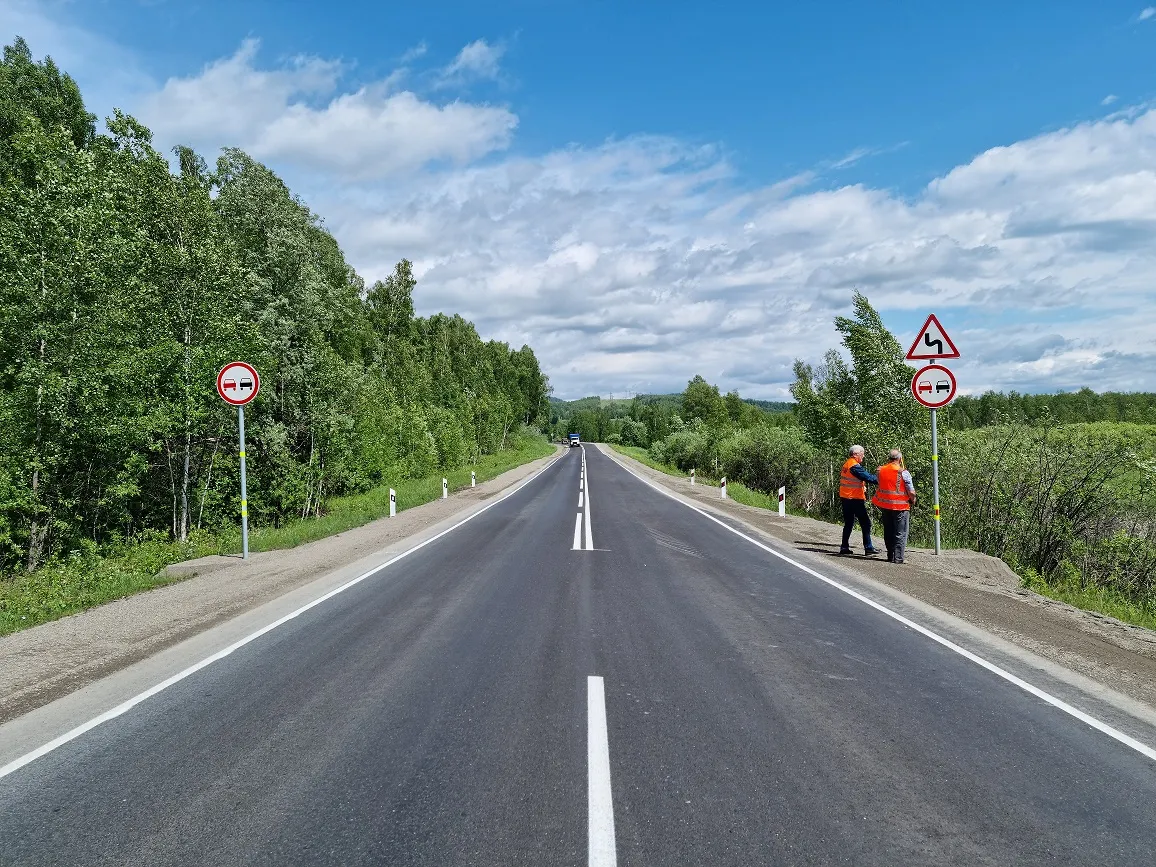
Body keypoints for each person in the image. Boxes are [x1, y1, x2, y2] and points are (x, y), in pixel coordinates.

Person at [871, 448, 917, 563]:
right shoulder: (903, 472)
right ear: (899, 459)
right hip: (900, 507)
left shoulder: (880, 470)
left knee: (888, 530)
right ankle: (898, 558)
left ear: (889, 458)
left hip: (885, 505)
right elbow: (911, 491)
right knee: (900, 533)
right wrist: (913, 500)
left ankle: (890, 555)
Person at [839, 445, 879, 555]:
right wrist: (883, 477)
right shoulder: (854, 466)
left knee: (849, 523)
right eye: (862, 454)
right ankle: (868, 547)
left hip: (846, 497)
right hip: (854, 499)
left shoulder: (847, 464)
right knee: (866, 523)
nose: (863, 456)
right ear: (856, 454)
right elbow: (869, 477)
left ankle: (844, 547)